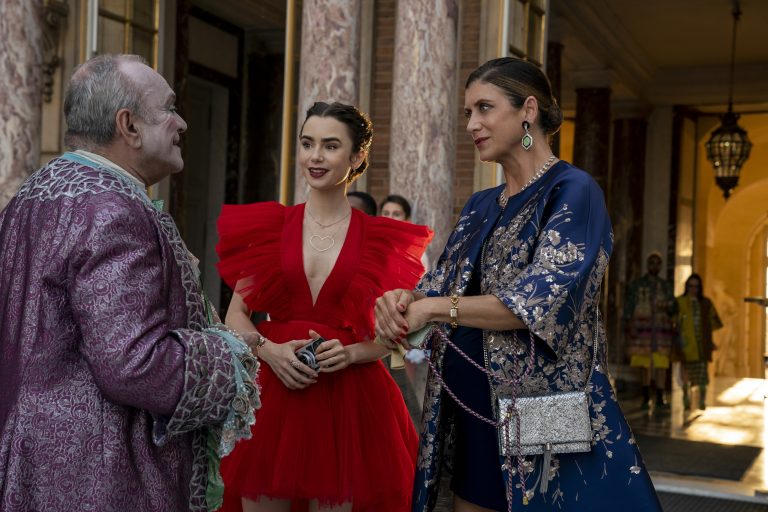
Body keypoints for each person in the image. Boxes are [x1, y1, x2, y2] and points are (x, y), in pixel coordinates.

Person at [375, 57, 661, 511]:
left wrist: (435, 308)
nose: (472, 124)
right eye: (468, 112)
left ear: (528, 109)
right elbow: (439, 284)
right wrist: (405, 298)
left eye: (484, 108)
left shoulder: (573, 190)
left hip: (543, 409)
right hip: (468, 409)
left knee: (545, 502)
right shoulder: (480, 204)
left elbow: (537, 301)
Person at [0, 54, 260, 512]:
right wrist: (230, 351)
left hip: (28, 459)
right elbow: (135, 364)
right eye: (169, 108)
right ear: (129, 126)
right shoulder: (113, 210)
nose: (182, 123)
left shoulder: (31, 195)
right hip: (96, 479)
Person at [216, 101, 433, 511]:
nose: (315, 156)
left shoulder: (381, 240)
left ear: (357, 157)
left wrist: (351, 353)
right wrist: (269, 350)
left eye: (330, 146)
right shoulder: (271, 227)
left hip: (348, 400)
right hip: (274, 390)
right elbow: (235, 315)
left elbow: (390, 336)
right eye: (307, 143)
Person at [623, 252, 677, 411]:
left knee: (661, 363)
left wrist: (670, 308)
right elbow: (629, 305)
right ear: (647, 265)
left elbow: (673, 308)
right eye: (652, 262)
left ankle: (660, 396)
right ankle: (646, 396)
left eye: (657, 263)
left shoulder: (665, 286)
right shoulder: (638, 285)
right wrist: (629, 323)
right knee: (644, 363)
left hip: (661, 329)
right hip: (643, 329)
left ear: (661, 266)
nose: (655, 266)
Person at [676, 274, 723, 410]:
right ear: (687, 286)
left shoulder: (706, 303)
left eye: (696, 286)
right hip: (686, 342)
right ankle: (686, 396)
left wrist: (711, 342)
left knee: (702, 372)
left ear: (700, 287)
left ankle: (702, 399)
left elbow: (712, 322)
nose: (693, 289)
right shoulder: (680, 302)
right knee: (685, 370)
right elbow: (674, 321)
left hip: (702, 343)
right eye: (691, 286)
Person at [380, 194, 432, 272]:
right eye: (386, 213)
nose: (390, 218)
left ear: (407, 219)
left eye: (396, 214)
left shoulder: (417, 255)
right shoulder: (371, 246)